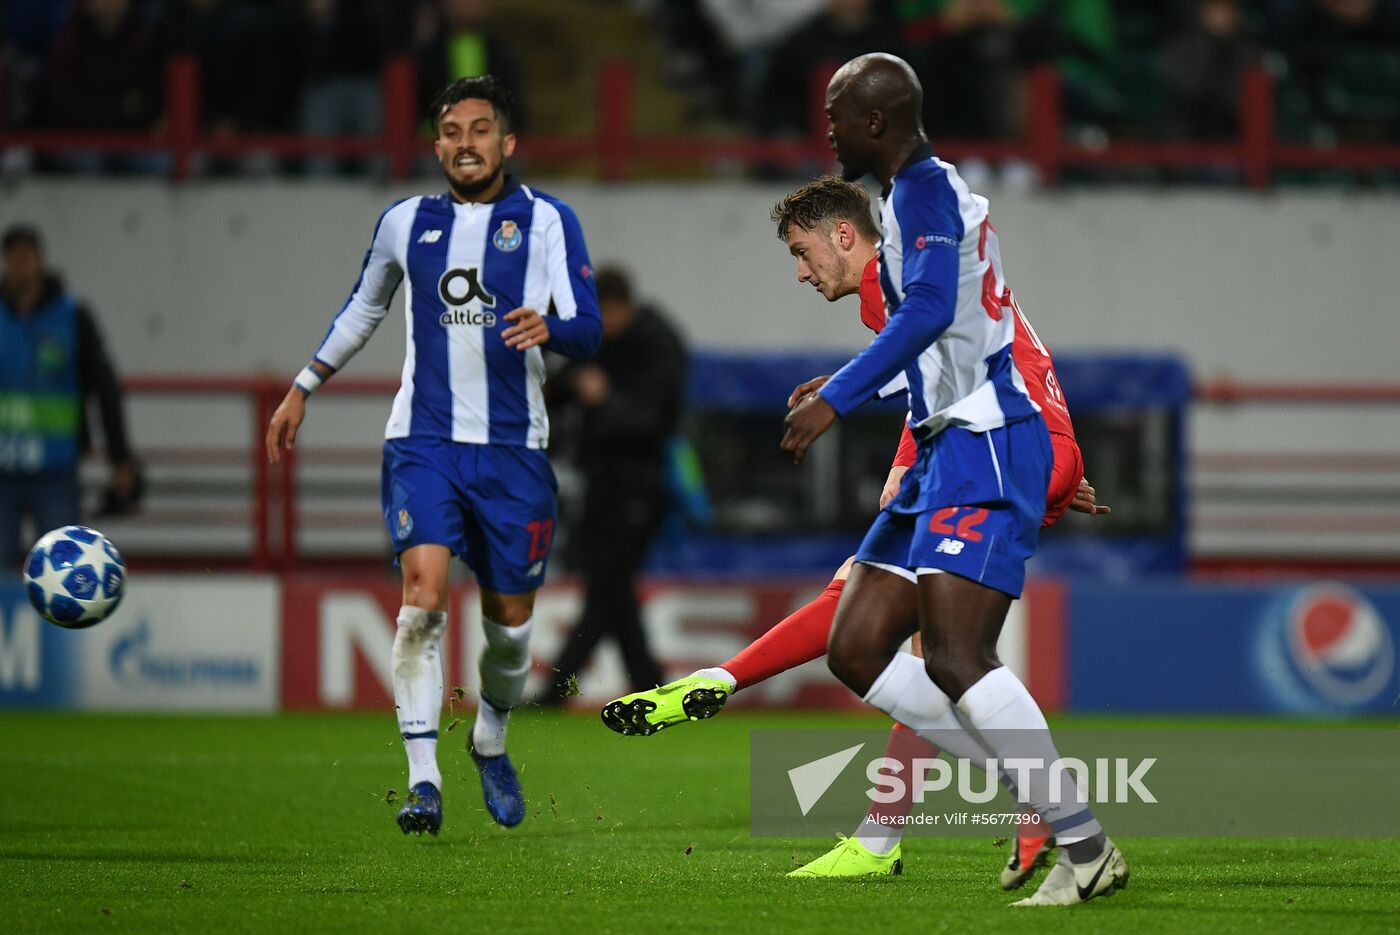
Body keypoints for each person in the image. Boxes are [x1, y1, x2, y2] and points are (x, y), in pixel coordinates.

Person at [601, 176, 1107, 886]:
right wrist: (1044, 460)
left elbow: (938, 352)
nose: (801, 273)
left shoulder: (899, 270)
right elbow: (955, 362)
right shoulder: (910, 272)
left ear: (844, 234)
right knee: (906, 638)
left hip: (1002, 447)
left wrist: (900, 445)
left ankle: (1037, 804)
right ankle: (886, 829)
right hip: (1019, 444)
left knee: (911, 632)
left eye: (801, 252)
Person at [779, 52, 1127, 906]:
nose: (827, 130)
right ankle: (1031, 791)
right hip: (952, 443)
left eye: (835, 114)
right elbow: (951, 333)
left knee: (956, 654)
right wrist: (855, 385)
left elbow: (934, 310)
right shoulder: (913, 196)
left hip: (986, 441)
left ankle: (1084, 846)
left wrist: (839, 399)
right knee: (856, 645)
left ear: (874, 122)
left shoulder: (925, 193)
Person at [265, 75, 601, 835]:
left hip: (514, 451)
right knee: (421, 600)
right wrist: (304, 385)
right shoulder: (404, 222)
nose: (464, 144)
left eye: (479, 130)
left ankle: (490, 739)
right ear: (437, 145)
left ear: (507, 143)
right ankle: (423, 780)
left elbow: (589, 328)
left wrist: (551, 328)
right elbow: (364, 306)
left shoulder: (548, 219)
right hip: (424, 442)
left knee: (510, 630)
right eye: (451, 132)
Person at [539, 266, 687, 702]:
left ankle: (556, 692)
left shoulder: (656, 345)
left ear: (619, 307)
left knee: (609, 588)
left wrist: (606, 400)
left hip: (639, 482)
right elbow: (562, 385)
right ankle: (649, 686)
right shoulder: (600, 341)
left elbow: (654, 420)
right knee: (610, 589)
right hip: (601, 481)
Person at [1, 224, 142, 572]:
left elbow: (105, 387)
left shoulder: (72, 315)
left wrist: (120, 456)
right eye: (13, 260)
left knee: (63, 571)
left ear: (40, 261)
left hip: (57, 468)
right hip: (3, 469)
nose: (19, 268)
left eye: (25, 259)